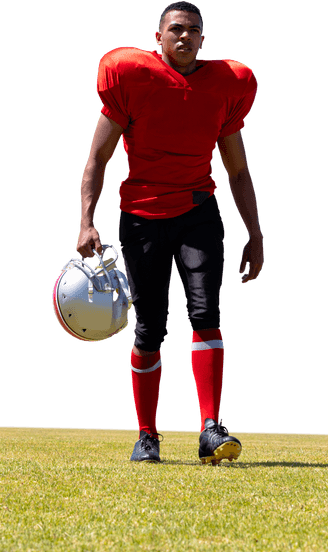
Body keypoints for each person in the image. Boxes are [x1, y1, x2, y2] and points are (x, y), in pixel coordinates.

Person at [74, 1, 264, 464]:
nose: (185, 37)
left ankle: (211, 429)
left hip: (198, 213)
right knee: (150, 326)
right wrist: (86, 218)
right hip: (141, 217)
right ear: (157, 36)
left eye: (194, 31)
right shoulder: (132, 77)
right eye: (175, 29)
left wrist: (255, 233)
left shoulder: (225, 85)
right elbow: (99, 158)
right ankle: (147, 435)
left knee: (206, 313)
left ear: (204, 39)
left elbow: (237, 170)